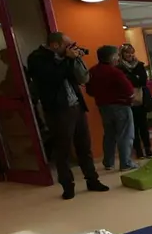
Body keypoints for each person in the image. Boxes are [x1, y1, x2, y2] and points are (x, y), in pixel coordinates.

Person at [27, 32, 108, 200]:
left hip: (76, 106)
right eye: (67, 45)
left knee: (84, 147)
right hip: (58, 110)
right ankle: (67, 186)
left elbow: (80, 78)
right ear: (55, 45)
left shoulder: (66, 58)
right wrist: (68, 59)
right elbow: (53, 77)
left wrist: (75, 59)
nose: (70, 49)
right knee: (62, 149)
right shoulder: (37, 58)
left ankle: (92, 180)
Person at [87, 45, 138, 172]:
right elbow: (128, 89)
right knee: (125, 134)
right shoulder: (115, 72)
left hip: (103, 106)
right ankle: (125, 163)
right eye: (116, 56)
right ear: (111, 57)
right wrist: (131, 98)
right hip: (120, 105)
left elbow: (89, 90)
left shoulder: (93, 71)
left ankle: (108, 162)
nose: (118, 58)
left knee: (109, 134)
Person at [118, 44, 152, 159]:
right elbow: (123, 83)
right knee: (132, 128)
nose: (130, 55)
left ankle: (148, 148)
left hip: (141, 99)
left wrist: (132, 78)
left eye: (131, 52)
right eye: (127, 52)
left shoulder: (139, 65)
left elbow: (143, 81)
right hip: (128, 101)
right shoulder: (119, 67)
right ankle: (138, 150)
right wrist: (135, 78)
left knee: (143, 126)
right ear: (122, 54)